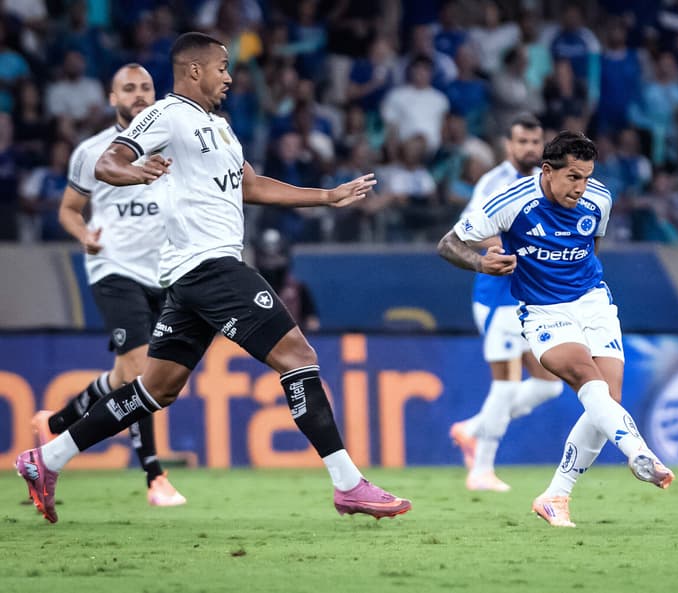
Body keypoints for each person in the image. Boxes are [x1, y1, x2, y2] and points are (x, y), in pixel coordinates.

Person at [15, 32, 410, 524]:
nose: (229, 76)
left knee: (154, 389)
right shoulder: (166, 114)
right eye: (222, 67)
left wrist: (326, 197)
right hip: (211, 266)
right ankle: (349, 484)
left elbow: (252, 185)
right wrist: (135, 173)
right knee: (298, 357)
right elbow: (108, 161)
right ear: (194, 70)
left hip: (191, 277)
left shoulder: (219, 126)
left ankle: (45, 459)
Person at [438, 131, 674, 527]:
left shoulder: (600, 198)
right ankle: (638, 452)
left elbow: (589, 248)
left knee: (609, 400)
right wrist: (481, 264)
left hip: (593, 301)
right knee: (586, 377)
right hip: (543, 311)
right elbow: (448, 243)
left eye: (586, 177)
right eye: (572, 177)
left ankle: (555, 496)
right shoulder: (511, 202)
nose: (581, 188)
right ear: (547, 171)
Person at [30, 63, 185, 507]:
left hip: (166, 275)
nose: (138, 95)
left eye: (145, 88)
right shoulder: (93, 152)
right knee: (143, 374)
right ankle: (155, 477)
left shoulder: (175, 147)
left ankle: (55, 425)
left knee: (125, 377)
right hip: (114, 270)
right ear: (113, 99)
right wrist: (85, 237)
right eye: (128, 89)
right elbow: (68, 210)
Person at [447, 113, 563, 492]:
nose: (529, 148)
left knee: (549, 385)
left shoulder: (542, 181)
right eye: (522, 142)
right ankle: (481, 470)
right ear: (508, 146)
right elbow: (467, 232)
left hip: (528, 294)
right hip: (499, 296)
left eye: (535, 142)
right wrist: (502, 248)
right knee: (506, 383)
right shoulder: (495, 183)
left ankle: (473, 428)